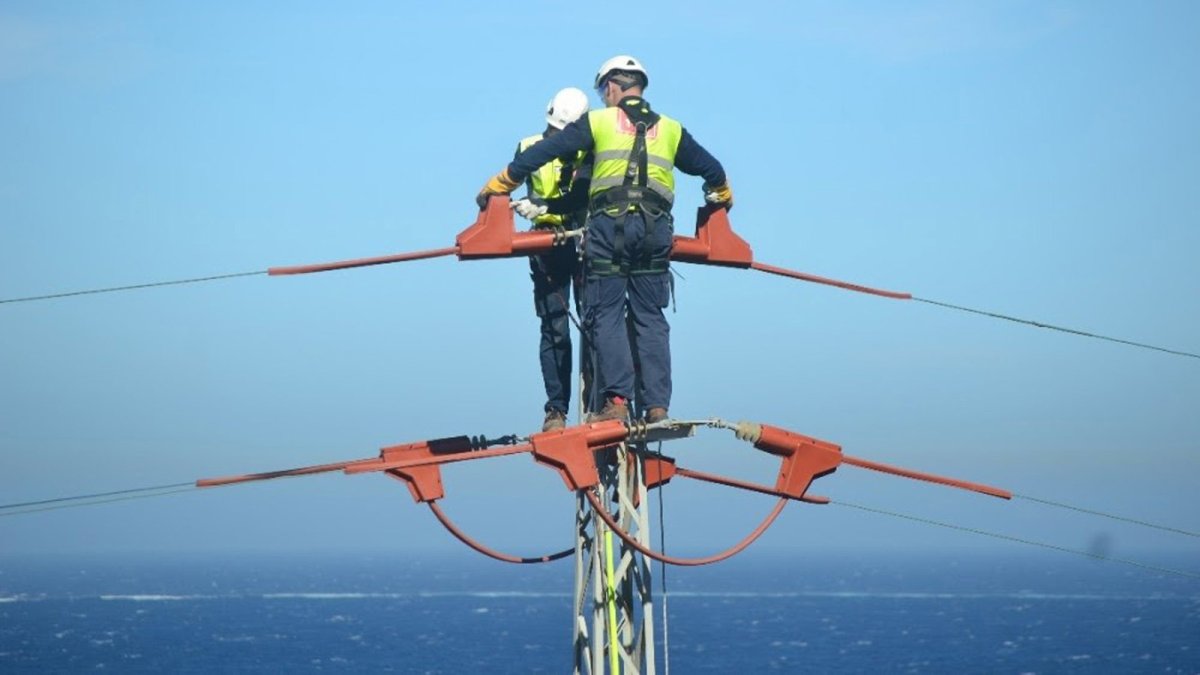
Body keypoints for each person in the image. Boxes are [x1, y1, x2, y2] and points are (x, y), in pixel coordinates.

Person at [478, 56, 732, 424]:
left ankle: (616, 403)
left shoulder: (599, 122)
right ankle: (657, 407)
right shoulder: (672, 129)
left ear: (612, 86)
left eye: (603, 90)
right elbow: (713, 171)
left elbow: (545, 151)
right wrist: (720, 195)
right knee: (650, 316)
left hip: (610, 230)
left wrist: (502, 182)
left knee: (605, 313)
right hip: (656, 230)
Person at [510, 87, 591, 432]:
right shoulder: (529, 147)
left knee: (597, 325)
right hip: (546, 244)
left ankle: (602, 401)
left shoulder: (589, 150)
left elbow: (583, 195)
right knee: (555, 327)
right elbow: (509, 181)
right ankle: (556, 410)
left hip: (585, 241)